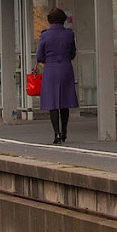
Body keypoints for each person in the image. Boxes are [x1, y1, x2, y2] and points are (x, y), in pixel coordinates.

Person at [34, 8, 78, 144]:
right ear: (64, 19)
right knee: (65, 101)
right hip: (65, 68)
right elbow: (72, 54)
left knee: (53, 102)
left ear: (49, 20)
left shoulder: (45, 35)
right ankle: (64, 131)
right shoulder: (69, 34)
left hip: (51, 70)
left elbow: (39, 56)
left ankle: (56, 133)